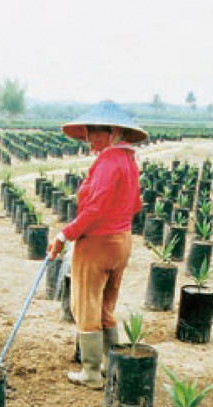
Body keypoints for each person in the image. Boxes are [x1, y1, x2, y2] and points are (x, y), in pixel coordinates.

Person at [47, 100, 147, 389]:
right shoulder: (128, 161)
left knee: (86, 306)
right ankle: (108, 364)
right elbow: (136, 204)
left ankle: (91, 372)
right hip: (121, 242)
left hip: (98, 244)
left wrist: (65, 235)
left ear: (114, 132)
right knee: (105, 306)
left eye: (96, 132)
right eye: (89, 132)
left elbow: (94, 210)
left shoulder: (107, 162)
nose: (90, 138)